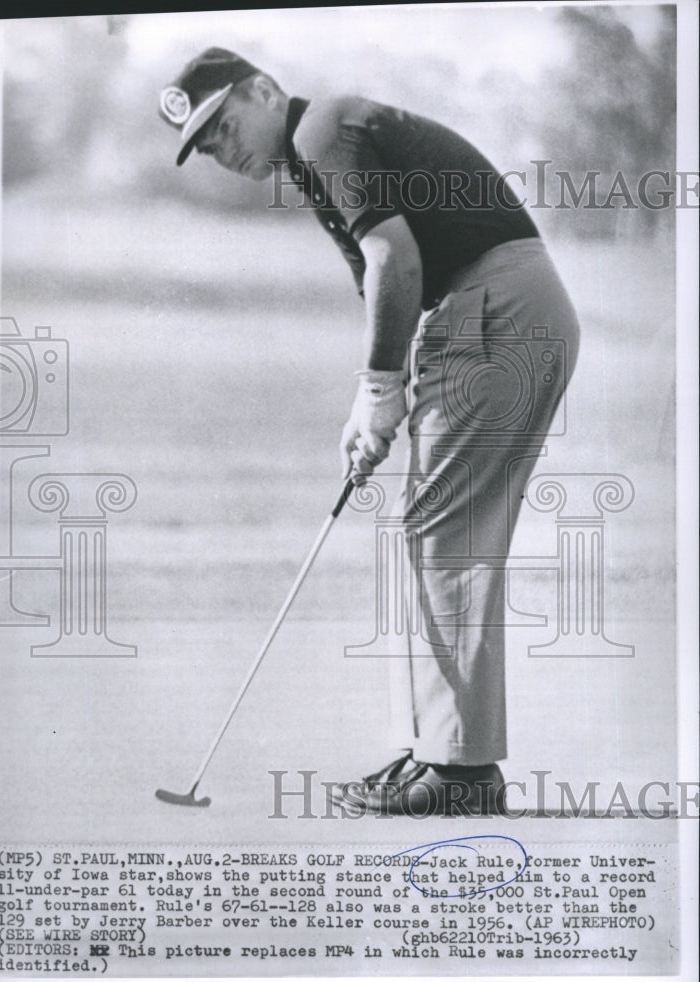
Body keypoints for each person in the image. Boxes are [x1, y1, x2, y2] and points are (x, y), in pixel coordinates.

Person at [159, 47, 580, 817]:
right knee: (433, 529)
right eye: (206, 145)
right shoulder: (312, 159)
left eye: (223, 124)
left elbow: (394, 258)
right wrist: (371, 416)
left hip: (499, 305)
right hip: (493, 308)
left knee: (444, 533)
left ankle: (459, 773)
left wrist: (379, 387)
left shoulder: (320, 129)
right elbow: (383, 281)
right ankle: (436, 754)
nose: (221, 149)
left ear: (261, 89)